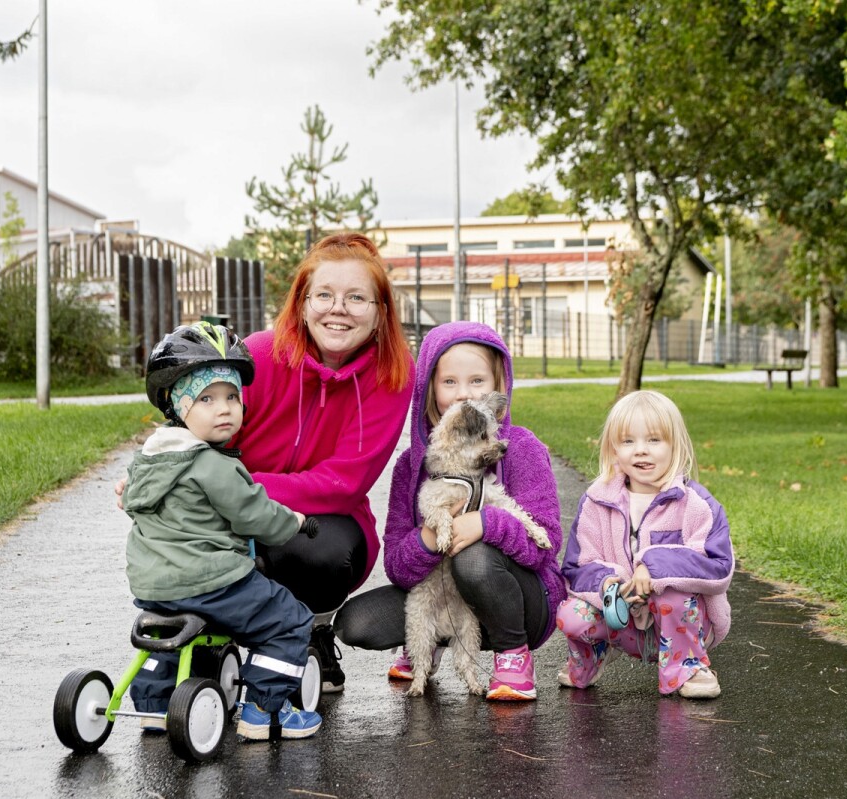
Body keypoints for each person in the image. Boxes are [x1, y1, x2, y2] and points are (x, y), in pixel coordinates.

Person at [117, 232, 414, 695]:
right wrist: (159, 477)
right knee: (200, 541)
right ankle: (214, 635)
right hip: (228, 509)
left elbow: (345, 480)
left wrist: (240, 487)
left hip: (321, 521)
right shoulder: (256, 355)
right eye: (324, 295)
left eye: (357, 298)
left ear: (380, 312)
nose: (339, 308)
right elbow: (192, 424)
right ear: (301, 302)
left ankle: (309, 629)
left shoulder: (392, 374)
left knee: (319, 550)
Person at [335, 321, 566, 701]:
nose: (463, 395)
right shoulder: (413, 464)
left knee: (472, 559)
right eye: (449, 383)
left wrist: (485, 523)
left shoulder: (521, 448)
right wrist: (428, 537)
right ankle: (436, 637)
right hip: (444, 591)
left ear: (498, 386)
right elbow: (398, 567)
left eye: (478, 381)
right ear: (428, 389)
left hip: (521, 600)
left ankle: (512, 654)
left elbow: (545, 544)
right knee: (356, 623)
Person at [124, 321, 321, 740]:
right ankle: (263, 711)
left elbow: (134, 504)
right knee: (288, 621)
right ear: (178, 407)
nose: (225, 408)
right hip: (209, 581)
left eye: (232, 396)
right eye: (207, 398)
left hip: (152, 585)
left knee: (166, 631)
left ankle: (155, 705)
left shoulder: (149, 459)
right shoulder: (214, 465)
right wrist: (295, 521)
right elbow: (255, 517)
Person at [557, 389, 733, 698]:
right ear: (613, 449)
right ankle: (592, 654)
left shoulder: (695, 503)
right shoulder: (597, 502)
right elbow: (575, 567)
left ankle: (688, 667)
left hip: (682, 624)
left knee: (674, 593)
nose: (641, 451)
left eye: (654, 440)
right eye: (628, 441)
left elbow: (718, 566)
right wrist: (609, 583)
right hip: (623, 622)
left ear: (674, 445)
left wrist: (652, 568)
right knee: (571, 614)